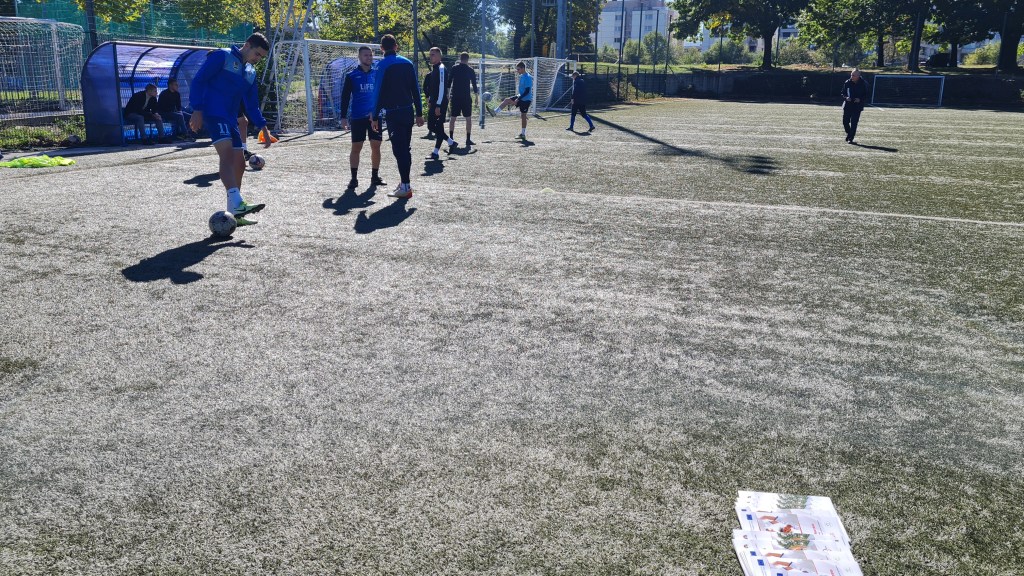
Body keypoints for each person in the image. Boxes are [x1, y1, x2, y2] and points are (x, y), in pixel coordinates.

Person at [188, 32, 273, 225]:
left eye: (261, 57)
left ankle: (235, 212)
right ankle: (237, 201)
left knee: (240, 164)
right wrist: (197, 110)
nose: (258, 59)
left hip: (230, 118)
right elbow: (199, 80)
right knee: (226, 156)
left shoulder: (250, 72)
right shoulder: (222, 56)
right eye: (257, 54)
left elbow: (251, 104)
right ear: (247, 45)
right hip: (213, 113)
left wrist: (263, 127)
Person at [370, 34, 424, 199]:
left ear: (382, 48)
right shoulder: (407, 63)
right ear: (396, 46)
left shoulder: (382, 65)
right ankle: (404, 182)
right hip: (408, 112)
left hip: (394, 113)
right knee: (405, 149)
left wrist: (374, 115)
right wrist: (419, 113)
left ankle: (405, 187)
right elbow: (415, 89)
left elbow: (377, 92)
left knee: (399, 150)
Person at [340, 46, 387, 190]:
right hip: (358, 117)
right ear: (359, 57)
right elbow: (345, 97)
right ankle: (354, 179)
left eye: (370, 55)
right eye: (366, 55)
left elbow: (382, 94)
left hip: (375, 117)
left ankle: (375, 177)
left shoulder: (377, 74)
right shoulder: (351, 75)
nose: (369, 57)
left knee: (376, 146)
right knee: (356, 147)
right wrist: (343, 117)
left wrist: (378, 111)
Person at [423, 47, 457, 160]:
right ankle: (450, 142)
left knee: (436, 126)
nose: (430, 56)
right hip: (435, 102)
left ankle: (436, 152)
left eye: (433, 54)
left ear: (439, 56)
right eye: (430, 54)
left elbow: (442, 89)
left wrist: (438, 105)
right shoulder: (435, 69)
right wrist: (430, 100)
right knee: (433, 126)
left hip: (440, 103)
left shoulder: (441, 68)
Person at [494, 61, 532, 140]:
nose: (517, 71)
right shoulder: (521, 76)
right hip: (520, 96)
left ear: (523, 68)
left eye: (518, 69)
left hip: (526, 99)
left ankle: (523, 134)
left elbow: (527, 91)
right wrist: (518, 97)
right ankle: (495, 112)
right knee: (507, 100)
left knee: (523, 116)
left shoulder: (528, 77)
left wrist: (518, 99)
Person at [447, 52, 478, 146]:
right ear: (468, 59)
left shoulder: (454, 68)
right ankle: (468, 139)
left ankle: (451, 139)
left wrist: (448, 94)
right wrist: (476, 97)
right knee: (468, 118)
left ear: (460, 58)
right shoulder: (470, 70)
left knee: (453, 118)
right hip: (466, 97)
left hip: (455, 97)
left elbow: (449, 82)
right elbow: (474, 84)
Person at [842, 69, 868, 144]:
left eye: (853, 75)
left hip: (857, 106)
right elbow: (843, 93)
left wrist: (860, 99)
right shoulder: (847, 82)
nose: (852, 77)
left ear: (858, 76)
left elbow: (867, 95)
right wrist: (846, 98)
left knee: (854, 123)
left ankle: (851, 138)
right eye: (851, 75)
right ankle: (849, 134)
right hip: (848, 105)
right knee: (845, 122)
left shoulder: (863, 83)